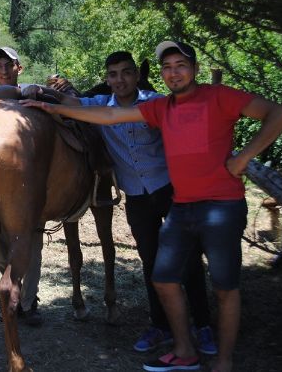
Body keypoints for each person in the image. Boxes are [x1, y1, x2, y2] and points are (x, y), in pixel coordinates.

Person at [22, 40, 282, 372]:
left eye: (180, 66)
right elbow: (105, 113)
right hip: (157, 200)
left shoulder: (184, 100)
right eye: (167, 67)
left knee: (210, 276)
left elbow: (277, 114)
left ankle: (210, 337)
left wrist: (244, 158)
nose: (173, 73)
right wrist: (48, 103)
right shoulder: (151, 107)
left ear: (193, 69)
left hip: (192, 197)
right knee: (157, 270)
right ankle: (172, 337)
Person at [39, 51, 217, 355]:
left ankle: (203, 325)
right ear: (107, 79)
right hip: (137, 197)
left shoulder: (156, 102)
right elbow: (70, 103)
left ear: (136, 75)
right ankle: (160, 325)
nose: (120, 80)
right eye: (113, 74)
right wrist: (38, 91)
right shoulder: (99, 105)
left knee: (188, 258)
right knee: (150, 260)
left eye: (126, 72)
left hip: (171, 190)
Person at [0, 46, 44, 325]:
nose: (3, 70)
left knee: (31, 244)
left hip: (29, 186)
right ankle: (11, 296)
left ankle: (28, 300)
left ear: (18, 68)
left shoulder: (31, 93)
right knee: (1, 247)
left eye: (8, 65)